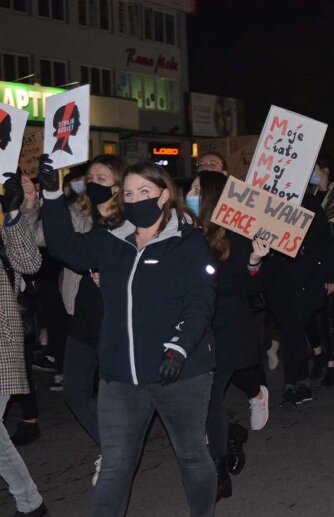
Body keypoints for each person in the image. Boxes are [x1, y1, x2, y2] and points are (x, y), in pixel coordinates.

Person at [39, 158, 218, 516]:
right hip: (121, 376)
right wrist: (52, 195)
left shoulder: (187, 243)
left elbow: (201, 302)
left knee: (192, 456)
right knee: (115, 466)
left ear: (164, 195)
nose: (137, 200)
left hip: (179, 373)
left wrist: (178, 349)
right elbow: (66, 247)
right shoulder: (112, 240)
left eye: (145, 192)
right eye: (131, 193)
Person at [22, 155, 125, 486]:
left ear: (120, 185)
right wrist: (32, 203)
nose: (92, 182)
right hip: (84, 319)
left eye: (102, 177)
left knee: (123, 400)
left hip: (119, 326)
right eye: (90, 176)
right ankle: (113, 450)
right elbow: (46, 239)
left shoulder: (134, 221)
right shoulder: (81, 214)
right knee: (75, 393)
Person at [186, 171, 270, 501]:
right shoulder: (182, 231)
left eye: (195, 189)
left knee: (210, 399)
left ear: (210, 196)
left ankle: (218, 468)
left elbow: (250, 286)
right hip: (195, 329)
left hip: (227, 330)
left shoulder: (235, 234)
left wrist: (253, 260)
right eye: (189, 188)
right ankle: (229, 435)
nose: (189, 193)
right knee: (203, 401)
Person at [0, 169, 48, 517]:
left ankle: (30, 502)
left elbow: (30, 263)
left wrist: (15, 213)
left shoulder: (6, 212)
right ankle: (30, 503)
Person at [262, 191, 334, 406]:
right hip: (277, 277)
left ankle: (294, 383)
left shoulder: (310, 203)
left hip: (306, 276)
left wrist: (330, 275)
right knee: (291, 330)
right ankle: (298, 383)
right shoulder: (265, 201)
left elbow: (325, 241)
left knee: (294, 329)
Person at [306, 153, 334, 386]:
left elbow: (324, 223)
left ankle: (331, 363)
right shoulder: (307, 195)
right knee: (308, 313)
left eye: (313, 168)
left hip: (333, 262)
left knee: (330, 314)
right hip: (309, 263)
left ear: (324, 170)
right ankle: (318, 352)